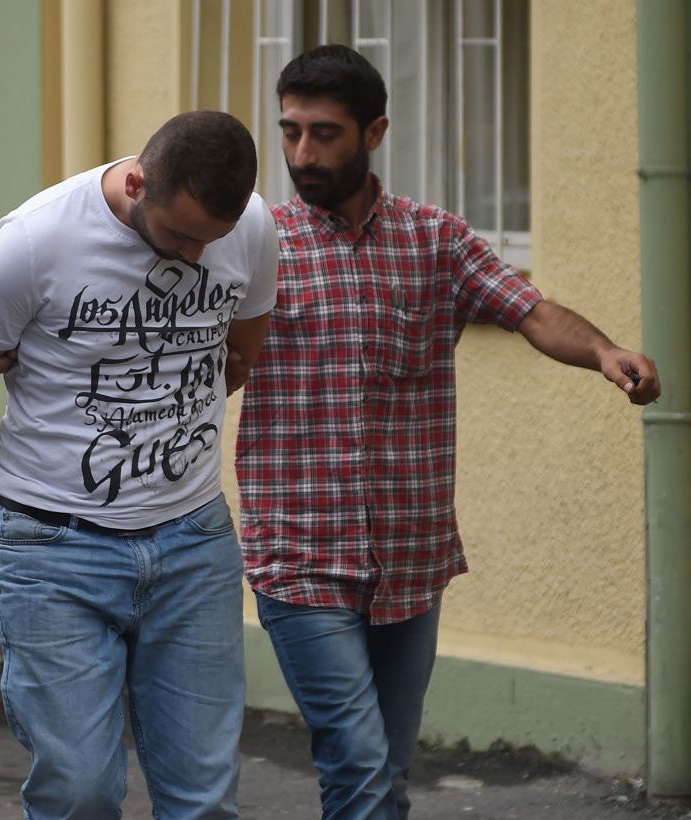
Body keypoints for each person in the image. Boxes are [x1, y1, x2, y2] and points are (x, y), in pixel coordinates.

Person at [234, 44, 661, 820]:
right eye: (290, 131)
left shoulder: (436, 241)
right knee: (359, 764)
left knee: (389, 771)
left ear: (375, 132)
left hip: (410, 555)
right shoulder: (257, 245)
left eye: (324, 133)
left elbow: (530, 311)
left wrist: (605, 352)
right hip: (299, 554)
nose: (301, 153)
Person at [0, 110, 280, 819]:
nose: (192, 254)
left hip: (192, 540)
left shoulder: (252, 228)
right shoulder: (38, 238)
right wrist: (16, 475)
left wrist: (168, 408)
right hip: (57, 550)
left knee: (206, 799)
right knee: (80, 792)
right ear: (138, 181)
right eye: (178, 234)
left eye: (209, 240)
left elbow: (237, 351)